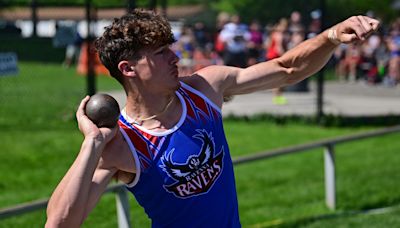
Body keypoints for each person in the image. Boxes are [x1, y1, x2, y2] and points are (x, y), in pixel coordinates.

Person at [45, 9, 379, 227]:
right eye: (161, 53)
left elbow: (287, 69)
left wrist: (331, 36)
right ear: (128, 69)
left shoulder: (204, 89)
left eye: (170, 48)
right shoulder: (123, 144)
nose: (174, 57)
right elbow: (60, 223)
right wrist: (92, 144)